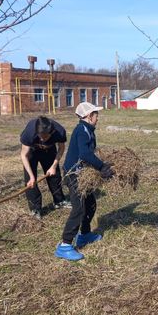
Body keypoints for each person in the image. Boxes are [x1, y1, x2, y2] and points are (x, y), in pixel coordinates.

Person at [55, 102, 114, 261]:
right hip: (73, 175)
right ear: (89, 116)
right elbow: (84, 154)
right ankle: (65, 245)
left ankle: (85, 235)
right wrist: (102, 167)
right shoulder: (82, 130)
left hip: (82, 174)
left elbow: (89, 154)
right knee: (79, 208)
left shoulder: (88, 130)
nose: (97, 118)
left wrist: (100, 166)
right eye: (96, 115)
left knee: (90, 204)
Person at [20, 115, 70, 218]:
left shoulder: (59, 132)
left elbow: (61, 149)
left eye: (45, 137)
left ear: (52, 132)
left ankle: (59, 201)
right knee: (30, 181)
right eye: (40, 136)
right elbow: (24, 155)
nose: (42, 139)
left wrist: (53, 166)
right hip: (32, 151)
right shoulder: (29, 132)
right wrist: (32, 177)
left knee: (54, 176)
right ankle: (35, 209)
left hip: (49, 150)